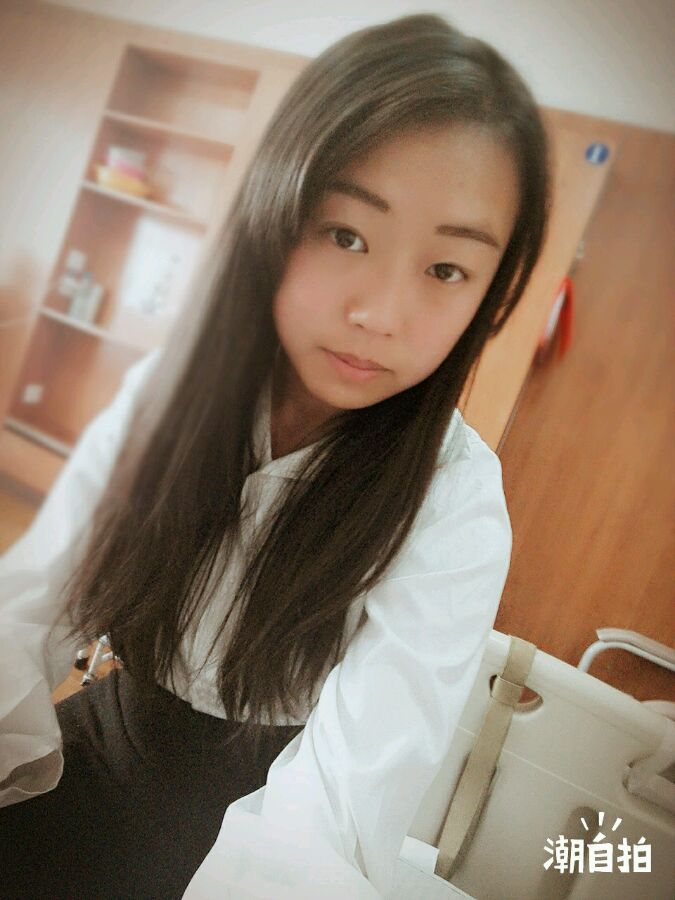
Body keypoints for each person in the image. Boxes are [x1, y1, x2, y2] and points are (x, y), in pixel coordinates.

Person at [0, 12, 550, 899]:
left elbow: (335, 805)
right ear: (275, 213)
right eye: (347, 235)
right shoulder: (171, 394)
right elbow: (27, 609)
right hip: (94, 753)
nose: (380, 313)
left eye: (445, 270)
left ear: (488, 293)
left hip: (249, 836)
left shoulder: (453, 504)